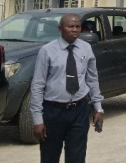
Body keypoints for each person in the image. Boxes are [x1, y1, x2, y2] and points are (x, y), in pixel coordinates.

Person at [30, 13, 104, 163]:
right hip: (53, 112)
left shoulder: (86, 49)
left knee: (76, 158)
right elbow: (37, 85)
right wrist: (38, 120)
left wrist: (98, 108)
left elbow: (92, 79)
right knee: (50, 157)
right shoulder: (47, 51)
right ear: (60, 28)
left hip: (79, 110)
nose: (75, 30)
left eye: (77, 26)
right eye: (70, 26)